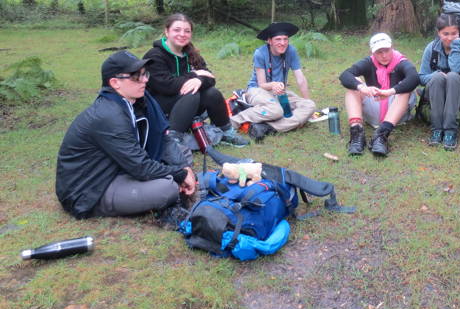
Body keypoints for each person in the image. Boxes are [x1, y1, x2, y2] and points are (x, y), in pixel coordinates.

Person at [56, 51, 196, 224]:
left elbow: (162, 138)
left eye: (145, 74)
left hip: (119, 168)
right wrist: (179, 174)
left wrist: (183, 167)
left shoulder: (138, 101)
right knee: (167, 188)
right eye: (136, 76)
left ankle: (170, 184)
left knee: (183, 154)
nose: (145, 80)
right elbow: (141, 168)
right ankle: (165, 195)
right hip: (91, 189)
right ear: (115, 83)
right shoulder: (108, 115)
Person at [143, 13, 248, 147]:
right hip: (159, 105)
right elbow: (166, 85)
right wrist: (194, 75)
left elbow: (210, 78)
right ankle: (173, 141)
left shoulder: (190, 52)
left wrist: (199, 80)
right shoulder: (155, 55)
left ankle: (226, 132)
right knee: (192, 93)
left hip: (186, 104)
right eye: (177, 30)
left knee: (212, 93)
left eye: (187, 31)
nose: (182, 34)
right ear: (166, 31)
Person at [339, 33, 420, 157]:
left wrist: (390, 92)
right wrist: (362, 88)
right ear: (372, 52)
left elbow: (414, 78)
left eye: (386, 50)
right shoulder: (368, 62)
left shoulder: (401, 62)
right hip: (375, 105)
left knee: (405, 90)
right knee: (353, 86)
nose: (384, 55)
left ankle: (381, 135)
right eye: (379, 52)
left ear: (392, 47)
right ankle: (357, 134)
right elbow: (345, 75)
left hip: (397, 113)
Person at [229, 22, 315, 136]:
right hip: (257, 90)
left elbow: (301, 79)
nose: (282, 43)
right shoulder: (260, 53)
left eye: (285, 39)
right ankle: (233, 121)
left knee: (310, 105)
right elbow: (261, 84)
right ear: (269, 41)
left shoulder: (291, 51)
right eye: (278, 39)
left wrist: (306, 100)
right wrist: (273, 85)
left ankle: (268, 127)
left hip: (279, 92)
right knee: (276, 110)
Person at [418, 13, 460, 151]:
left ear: (459, 32)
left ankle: (450, 130)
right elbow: (421, 77)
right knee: (438, 77)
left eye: (454, 33)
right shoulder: (431, 48)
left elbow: (455, 68)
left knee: (453, 76)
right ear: (438, 33)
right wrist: (437, 75)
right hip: (437, 94)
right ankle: (436, 129)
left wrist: (456, 47)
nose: (450, 38)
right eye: (445, 34)